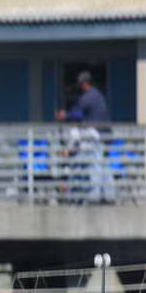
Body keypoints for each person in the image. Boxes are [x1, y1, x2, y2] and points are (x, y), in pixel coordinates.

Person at [56, 71, 112, 203]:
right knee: (102, 168)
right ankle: (109, 196)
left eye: (81, 84)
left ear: (85, 84)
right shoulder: (98, 95)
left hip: (94, 137)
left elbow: (77, 113)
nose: (80, 87)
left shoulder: (89, 97)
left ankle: (93, 198)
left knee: (92, 168)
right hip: (104, 137)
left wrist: (65, 115)